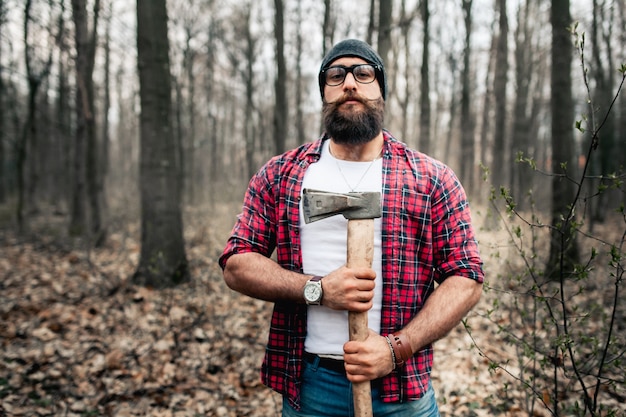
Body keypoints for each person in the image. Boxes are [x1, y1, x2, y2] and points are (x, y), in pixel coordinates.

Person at [219, 39, 484, 417]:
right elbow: (236, 263)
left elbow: (467, 278)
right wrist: (317, 289)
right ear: (324, 93)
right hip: (311, 386)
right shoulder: (282, 175)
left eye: (363, 73)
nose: (349, 83)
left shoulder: (430, 178)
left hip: (401, 391)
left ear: (381, 91)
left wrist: (397, 349)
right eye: (335, 74)